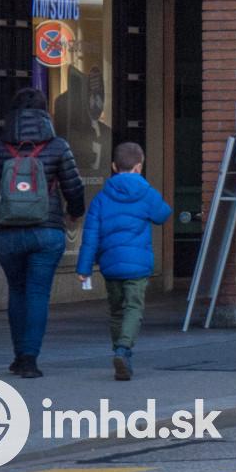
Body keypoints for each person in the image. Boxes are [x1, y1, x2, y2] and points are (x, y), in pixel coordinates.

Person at [0, 88, 84, 380]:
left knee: (17, 291)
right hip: (46, 232)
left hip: (7, 234)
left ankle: (18, 355)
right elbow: (74, 187)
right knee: (38, 293)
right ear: (45, 113)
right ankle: (29, 359)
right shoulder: (58, 146)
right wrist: (74, 213)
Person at [75, 142, 172, 381]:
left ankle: (120, 353)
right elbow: (162, 214)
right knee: (133, 308)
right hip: (138, 264)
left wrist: (84, 268)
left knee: (116, 310)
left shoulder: (101, 198)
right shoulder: (146, 193)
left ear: (113, 166)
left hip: (110, 265)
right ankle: (123, 350)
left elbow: (90, 236)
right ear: (139, 167)